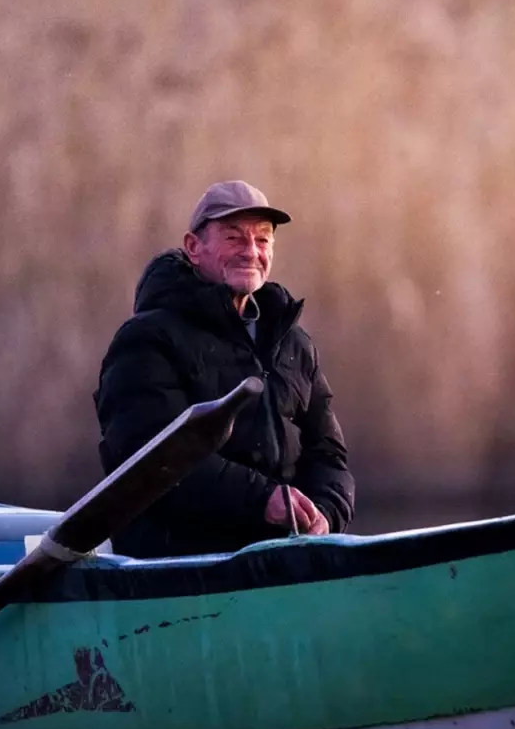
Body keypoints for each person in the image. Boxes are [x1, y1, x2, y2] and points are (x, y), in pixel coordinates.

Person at [92, 180, 355, 558]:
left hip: (284, 563)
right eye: (234, 238)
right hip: (179, 569)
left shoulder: (294, 344)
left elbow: (330, 456)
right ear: (193, 247)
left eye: (262, 240)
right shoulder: (146, 339)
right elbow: (152, 459)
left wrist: (325, 515)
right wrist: (262, 500)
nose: (251, 251)